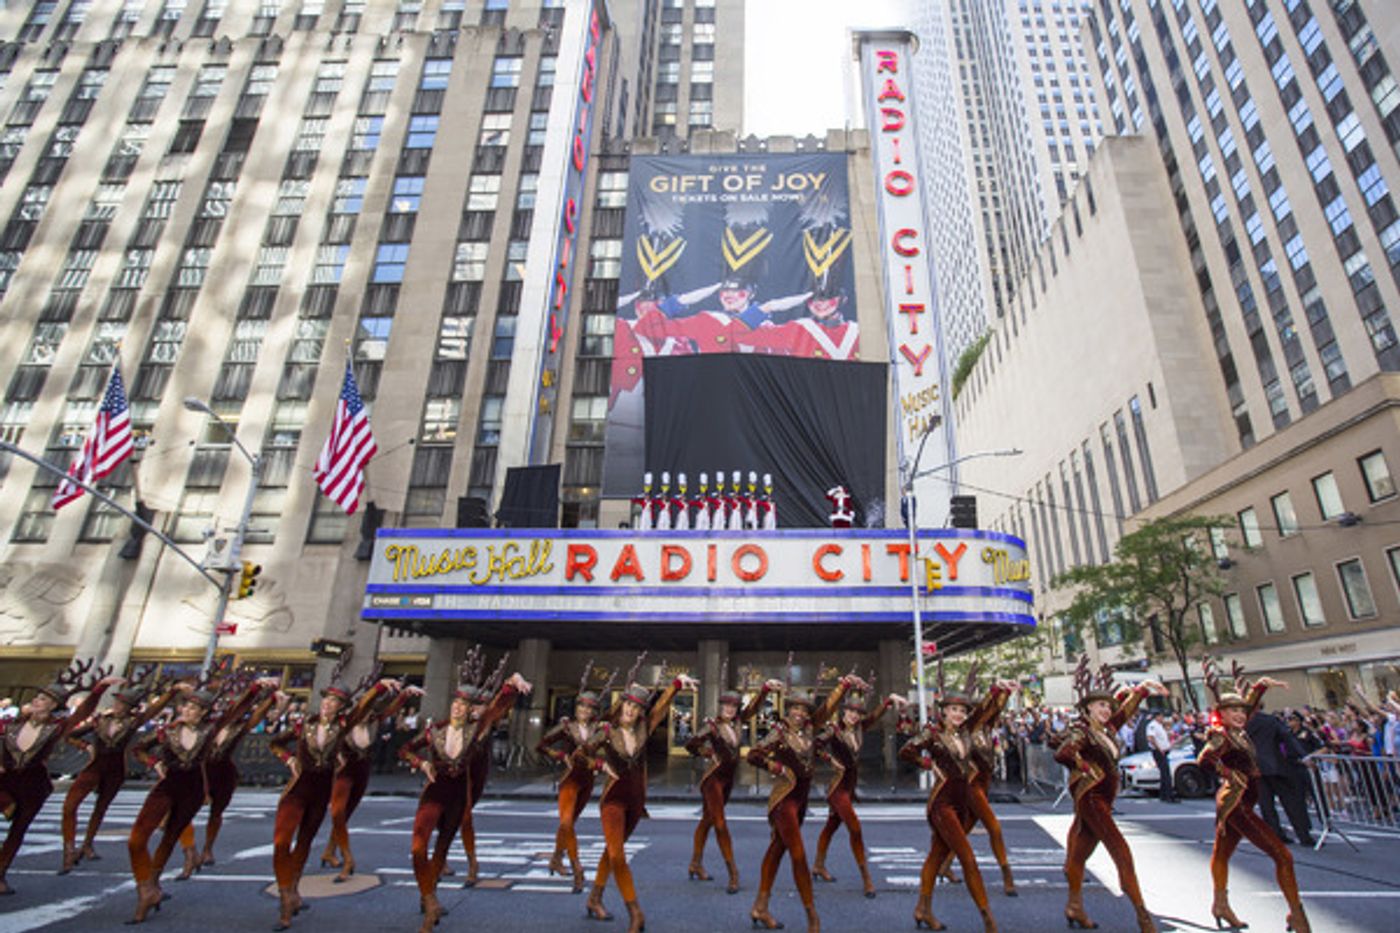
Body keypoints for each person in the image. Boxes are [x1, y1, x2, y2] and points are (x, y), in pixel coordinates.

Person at [127, 675, 269, 923]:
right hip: (166, 786)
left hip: (192, 790)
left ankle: (151, 886)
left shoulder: (210, 730)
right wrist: (155, 763)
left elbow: (238, 711)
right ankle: (145, 885)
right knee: (136, 839)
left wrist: (255, 689)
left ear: (204, 713)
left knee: (170, 837)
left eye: (194, 708)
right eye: (186, 706)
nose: (187, 711)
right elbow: (138, 749)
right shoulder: (168, 731)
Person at [400, 661, 528, 932]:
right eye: (455, 702)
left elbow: (495, 710)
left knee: (441, 851)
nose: (457, 707)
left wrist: (511, 684)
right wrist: (421, 764)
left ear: (471, 710)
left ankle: (429, 900)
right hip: (433, 794)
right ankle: (429, 897)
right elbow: (406, 749)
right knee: (417, 847)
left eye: (464, 704)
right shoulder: (435, 731)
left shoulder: (475, 733)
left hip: (458, 800)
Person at [267, 669, 397, 930]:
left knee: (304, 842)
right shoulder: (305, 724)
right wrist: (289, 759)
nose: (327, 705)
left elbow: (362, 708)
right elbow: (276, 743)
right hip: (297, 789)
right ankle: (286, 894)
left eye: (333, 702)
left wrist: (379, 688)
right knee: (282, 842)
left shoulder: (343, 726)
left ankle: (292, 892)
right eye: (325, 700)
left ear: (340, 708)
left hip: (321, 790)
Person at [582, 660, 697, 933]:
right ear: (621, 705)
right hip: (612, 800)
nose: (631, 710)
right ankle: (635, 912)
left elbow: (661, 707)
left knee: (613, 852)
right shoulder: (607, 732)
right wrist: (599, 765)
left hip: (635, 803)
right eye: (628, 704)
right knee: (619, 856)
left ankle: (594, 898)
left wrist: (677, 683)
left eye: (636, 707)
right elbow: (580, 755)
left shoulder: (644, 728)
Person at [1052, 656, 1164, 931]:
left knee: (1078, 857)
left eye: (1108, 705)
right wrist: (1083, 766)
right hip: (1091, 798)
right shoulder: (1083, 732)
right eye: (1100, 705)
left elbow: (1124, 712)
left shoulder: (1107, 729)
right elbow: (1062, 753)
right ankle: (1143, 917)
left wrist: (1142, 690)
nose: (1106, 709)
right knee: (1121, 852)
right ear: (1088, 708)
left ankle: (1075, 906)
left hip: (1103, 799)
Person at [1197, 659, 1309, 933]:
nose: (1239, 714)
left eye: (1242, 710)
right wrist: (1227, 772)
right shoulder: (1222, 736)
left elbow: (1247, 706)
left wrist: (1260, 687)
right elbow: (1204, 759)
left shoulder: (1240, 733)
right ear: (1220, 714)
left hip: (1239, 801)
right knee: (1283, 856)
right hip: (1235, 803)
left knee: (1222, 853)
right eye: (1232, 710)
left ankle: (1220, 904)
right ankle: (1297, 914)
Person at [747, 673, 858, 933]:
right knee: (798, 855)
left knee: (776, 851)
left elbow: (827, 708)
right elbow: (753, 755)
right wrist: (775, 766)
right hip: (784, 800)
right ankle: (812, 917)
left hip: (802, 801)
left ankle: (760, 907)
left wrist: (843, 686)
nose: (799, 713)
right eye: (795, 708)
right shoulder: (778, 733)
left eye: (803, 709)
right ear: (787, 710)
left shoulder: (810, 729)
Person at [0, 662, 121, 896]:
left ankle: (1, 873)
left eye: (43, 700)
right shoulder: (10, 724)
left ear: (54, 706)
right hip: (5, 780)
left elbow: (82, 714)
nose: (36, 701)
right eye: (36, 698)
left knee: (18, 829)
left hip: (33, 786)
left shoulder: (56, 728)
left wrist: (98, 690)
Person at [900, 681, 998, 933]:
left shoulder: (966, 732)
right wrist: (925, 763)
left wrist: (997, 692)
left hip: (961, 802)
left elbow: (985, 712)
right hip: (942, 804)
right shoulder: (933, 734)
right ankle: (988, 920)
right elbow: (906, 750)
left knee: (936, 856)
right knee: (967, 858)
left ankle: (923, 909)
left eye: (962, 711)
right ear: (943, 711)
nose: (958, 715)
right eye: (953, 710)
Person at [60, 668, 179, 873]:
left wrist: (171, 693)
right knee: (70, 805)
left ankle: (87, 843)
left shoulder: (132, 722)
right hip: (95, 766)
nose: (117, 706)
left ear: (130, 708)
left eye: (122, 703)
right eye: (117, 702)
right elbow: (71, 734)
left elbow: (153, 710)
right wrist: (85, 747)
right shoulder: (99, 720)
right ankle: (69, 848)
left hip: (115, 768)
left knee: (101, 807)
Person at [177, 679, 287, 878]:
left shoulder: (239, 727)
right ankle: (189, 849)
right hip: (200, 770)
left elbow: (256, 717)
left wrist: (271, 700)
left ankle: (207, 849)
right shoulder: (206, 727)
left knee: (216, 813)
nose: (227, 710)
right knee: (182, 812)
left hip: (224, 773)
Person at [685, 670, 782, 894]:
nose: (729, 710)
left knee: (707, 821)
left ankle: (695, 863)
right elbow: (691, 744)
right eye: (726, 706)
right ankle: (733, 873)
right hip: (713, 781)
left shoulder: (739, 721)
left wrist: (765, 689)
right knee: (719, 824)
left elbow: (754, 708)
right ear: (720, 707)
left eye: (733, 707)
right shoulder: (711, 726)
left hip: (728, 781)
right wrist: (708, 753)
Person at [811, 680, 906, 898]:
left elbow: (875, 716)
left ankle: (818, 865)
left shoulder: (861, 728)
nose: (854, 716)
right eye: (850, 711)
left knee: (831, 826)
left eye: (857, 713)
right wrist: (830, 759)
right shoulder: (833, 731)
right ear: (843, 712)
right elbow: (814, 746)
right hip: (837, 789)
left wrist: (890, 700)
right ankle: (867, 880)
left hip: (850, 786)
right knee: (855, 828)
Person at [321, 678, 418, 881]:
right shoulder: (343, 723)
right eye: (362, 710)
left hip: (362, 770)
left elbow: (390, 710)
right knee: (337, 812)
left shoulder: (373, 721)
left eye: (368, 710)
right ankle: (348, 859)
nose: (366, 714)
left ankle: (329, 850)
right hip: (343, 771)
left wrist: (405, 694)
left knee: (345, 814)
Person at [537, 662, 607, 893]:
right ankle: (577, 870)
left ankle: (556, 859)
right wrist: (561, 756)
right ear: (576, 709)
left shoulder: (598, 728)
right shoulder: (566, 727)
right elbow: (541, 744)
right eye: (582, 708)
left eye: (589, 709)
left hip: (587, 780)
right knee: (566, 823)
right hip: (569, 778)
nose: (585, 712)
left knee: (569, 824)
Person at [1247, 704, 1314, 846]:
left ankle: (1276, 834)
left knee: (1266, 804)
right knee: (1291, 801)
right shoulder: (1271, 720)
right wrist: (1303, 756)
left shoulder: (1241, 725)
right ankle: (1303, 835)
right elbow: (1288, 738)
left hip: (1255, 767)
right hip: (1275, 764)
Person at [1146, 712, 1178, 803]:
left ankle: (1164, 795)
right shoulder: (1152, 725)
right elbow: (1150, 738)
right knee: (1166, 773)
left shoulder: (1159, 726)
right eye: (1161, 716)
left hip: (1164, 751)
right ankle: (1168, 795)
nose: (1162, 718)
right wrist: (1159, 749)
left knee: (1165, 774)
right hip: (1159, 752)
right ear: (1157, 716)